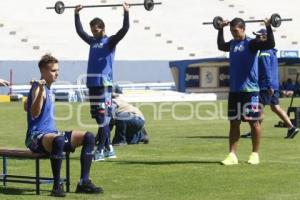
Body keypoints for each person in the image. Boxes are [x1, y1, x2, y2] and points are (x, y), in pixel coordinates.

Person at [25, 54, 102, 197]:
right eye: (53, 70)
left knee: (89, 137)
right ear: (43, 71)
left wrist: (31, 99)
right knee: (58, 140)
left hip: (50, 134)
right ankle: (56, 186)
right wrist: (40, 90)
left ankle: (83, 182)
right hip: (35, 138)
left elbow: (27, 107)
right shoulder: (39, 87)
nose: (57, 73)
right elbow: (35, 113)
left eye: (57, 70)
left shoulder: (46, 87)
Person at [74, 2, 130, 161]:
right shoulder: (92, 41)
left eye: (96, 30)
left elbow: (124, 30)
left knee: (102, 117)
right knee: (98, 117)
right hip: (92, 84)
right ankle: (108, 148)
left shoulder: (110, 41)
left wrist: (126, 12)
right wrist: (76, 14)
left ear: (102, 28)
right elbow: (79, 31)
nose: (93, 32)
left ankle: (100, 150)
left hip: (103, 84)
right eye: (92, 30)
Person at [217, 17, 275, 165]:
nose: (233, 34)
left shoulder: (252, 43)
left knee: (253, 122)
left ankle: (255, 154)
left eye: (235, 31)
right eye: (231, 31)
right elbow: (221, 45)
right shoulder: (232, 44)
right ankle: (232, 155)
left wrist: (268, 27)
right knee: (234, 123)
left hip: (250, 91)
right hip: (235, 91)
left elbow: (270, 43)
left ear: (243, 29)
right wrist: (220, 29)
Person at [241, 29, 299, 139]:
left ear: (265, 38)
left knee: (257, 107)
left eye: (258, 37)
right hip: (272, 84)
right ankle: (291, 127)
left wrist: (268, 85)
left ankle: (254, 131)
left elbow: (266, 70)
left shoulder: (264, 51)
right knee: (275, 107)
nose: (256, 39)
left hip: (265, 86)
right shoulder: (271, 51)